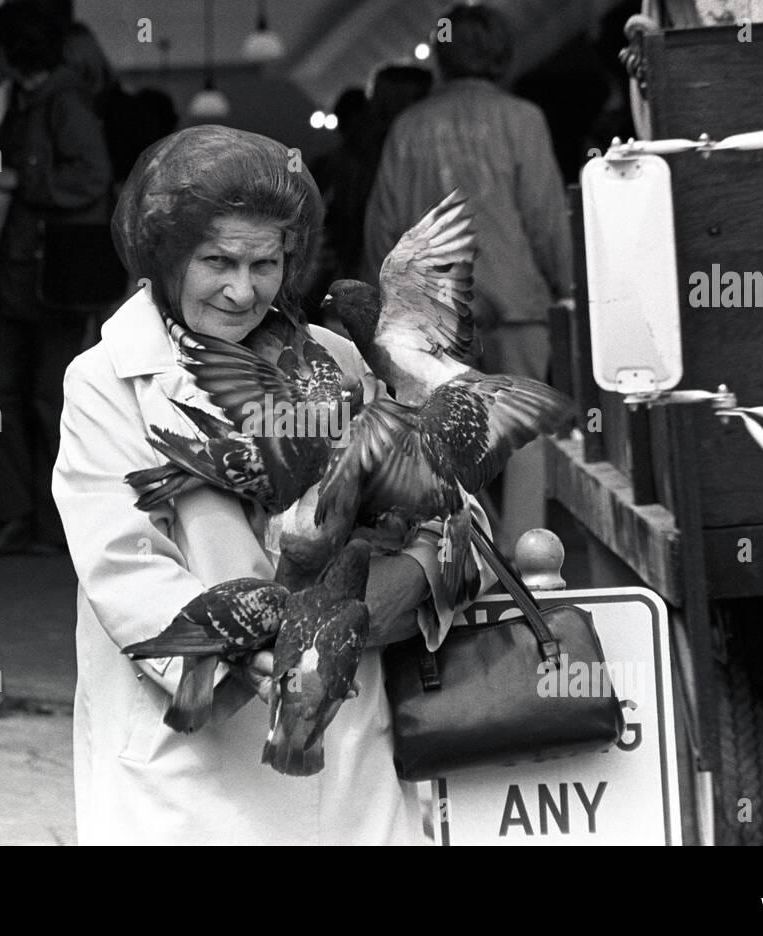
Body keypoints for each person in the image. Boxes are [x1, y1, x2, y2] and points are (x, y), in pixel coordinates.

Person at [52, 125, 494, 845]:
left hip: (343, 750)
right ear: (165, 257)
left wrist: (415, 574)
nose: (242, 289)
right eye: (217, 261)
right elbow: (119, 559)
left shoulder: (343, 360)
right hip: (187, 770)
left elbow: (450, 502)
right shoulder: (106, 381)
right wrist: (243, 649)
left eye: (266, 263)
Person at [362, 3, 572, 553]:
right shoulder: (523, 119)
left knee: (447, 435)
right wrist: (570, 288)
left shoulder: (407, 129)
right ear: (503, 53)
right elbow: (547, 218)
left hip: (433, 319)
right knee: (523, 435)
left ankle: (463, 552)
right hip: (519, 310)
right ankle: (528, 556)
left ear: (442, 56)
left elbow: (382, 230)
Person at [0, 1, 113, 556]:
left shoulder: (64, 101)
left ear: (14, 48)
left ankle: (55, 527)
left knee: (49, 400)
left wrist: (22, 183)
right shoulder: (23, 101)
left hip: (53, 280)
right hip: (12, 274)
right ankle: (17, 515)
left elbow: (92, 178)